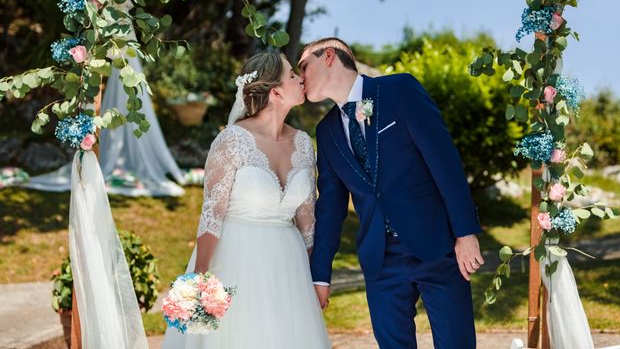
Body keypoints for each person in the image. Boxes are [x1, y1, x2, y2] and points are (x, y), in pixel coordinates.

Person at [299, 37, 483, 349]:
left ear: (328, 56)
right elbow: (330, 208)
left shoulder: (399, 91)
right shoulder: (326, 131)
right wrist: (321, 276)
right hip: (380, 260)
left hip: (436, 245)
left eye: (303, 66)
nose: (300, 77)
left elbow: (444, 161)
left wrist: (465, 233)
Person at [162, 52, 331, 349]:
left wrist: (315, 277)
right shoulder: (232, 140)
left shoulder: (304, 143)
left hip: (289, 267)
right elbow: (212, 215)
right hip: (236, 259)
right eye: (292, 74)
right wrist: (199, 280)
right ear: (275, 91)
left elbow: (307, 220)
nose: (300, 78)